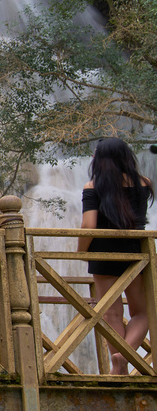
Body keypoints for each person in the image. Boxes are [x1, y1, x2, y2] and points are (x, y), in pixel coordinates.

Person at [78, 137, 154, 375]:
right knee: (143, 312)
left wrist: (81, 251)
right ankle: (125, 355)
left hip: (103, 253)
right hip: (136, 254)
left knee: (111, 312)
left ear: (101, 159)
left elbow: (89, 225)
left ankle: (118, 365)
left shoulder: (93, 187)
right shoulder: (144, 183)